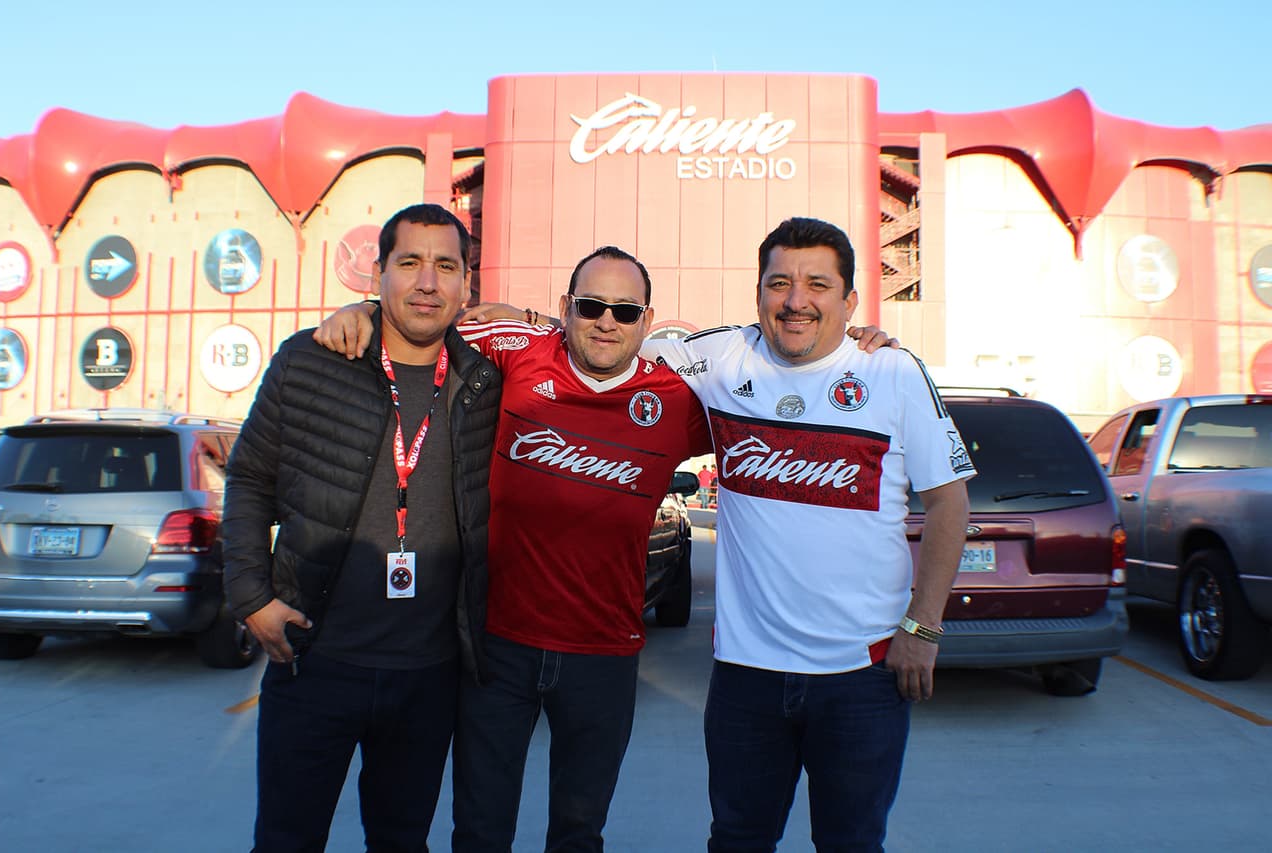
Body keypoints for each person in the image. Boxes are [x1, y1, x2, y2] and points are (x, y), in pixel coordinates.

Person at [317, 245, 713, 852]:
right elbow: (426, 316)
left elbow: (776, 387)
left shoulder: (678, 401)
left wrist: (860, 350)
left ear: (648, 321)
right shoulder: (517, 350)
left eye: (625, 311)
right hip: (498, 648)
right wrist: (365, 310)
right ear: (564, 309)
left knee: (579, 834)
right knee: (480, 828)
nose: (607, 321)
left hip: (604, 656)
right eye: (592, 306)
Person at [642, 217, 974, 852]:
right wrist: (519, 322)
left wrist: (923, 627)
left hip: (863, 678)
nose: (796, 301)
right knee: (737, 840)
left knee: (851, 844)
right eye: (780, 283)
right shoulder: (718, 359)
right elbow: (610, 343)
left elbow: (949, 504)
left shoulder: (894, 371)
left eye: (818, 284)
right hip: (746, 676)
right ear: (759, 291)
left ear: (849, 301)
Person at [222, 203, 502, 852]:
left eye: (445, 266)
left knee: (402, 841)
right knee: (287, 839)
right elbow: (248, 481)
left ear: (468, 282)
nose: (427, 282)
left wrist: (529, 318)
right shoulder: (311, 361)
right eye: (409, 263)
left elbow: (590, 338)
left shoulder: (485, 381)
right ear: (377, 275)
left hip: (429, 674)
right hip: (315, 662)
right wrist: (251, 598)